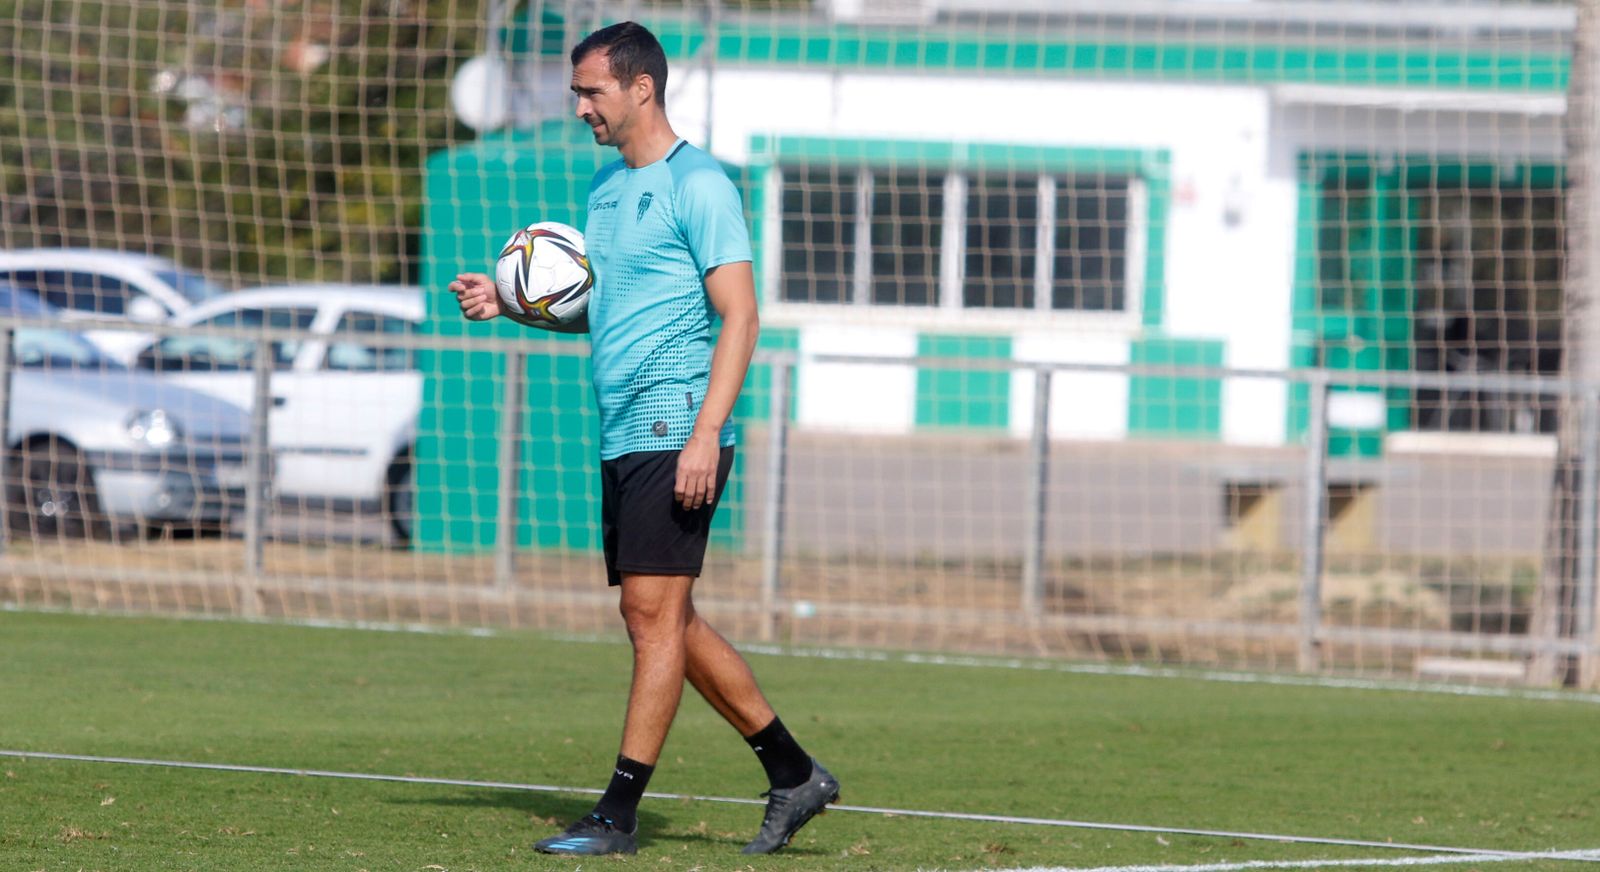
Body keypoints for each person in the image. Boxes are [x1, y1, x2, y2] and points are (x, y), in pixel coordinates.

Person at [448, 20, 839, 858]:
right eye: (577, 92)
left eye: (591, 91)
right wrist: (510, 304)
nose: (580, 106)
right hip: (622, 429)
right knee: (667, 616)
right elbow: (608, 310)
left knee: (649, 613)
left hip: (678, 424)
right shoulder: (604, 190)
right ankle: (794, 773)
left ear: (640, 89)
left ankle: (618, 813)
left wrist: (705, 436)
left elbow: (741, 316)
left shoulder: (700, 184)